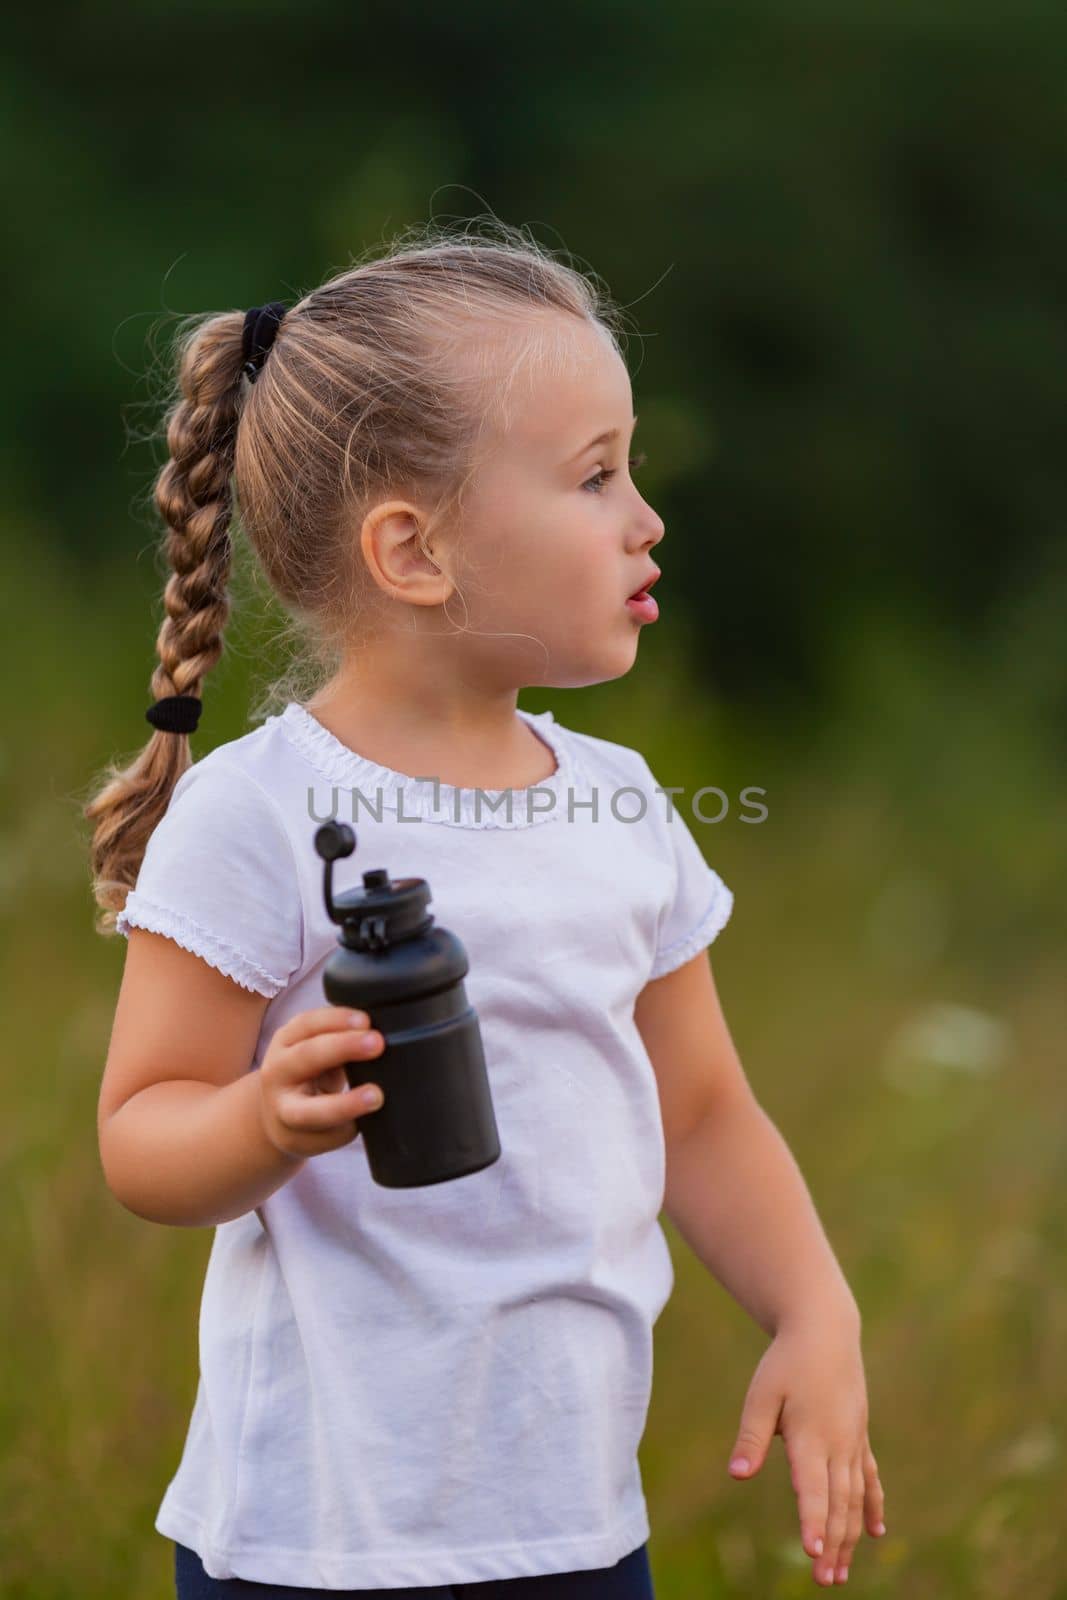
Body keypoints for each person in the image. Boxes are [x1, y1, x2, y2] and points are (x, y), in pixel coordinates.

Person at [84, 221, 886, 1597]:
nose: (648, 518)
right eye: (595, 477)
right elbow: (140, 1136)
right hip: (315, 1541)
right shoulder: (256, 813)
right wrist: (260, 1121)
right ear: (414, 550)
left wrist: (817, 1312)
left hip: (574, 1527)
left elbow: (699, 1112)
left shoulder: (620, 803)